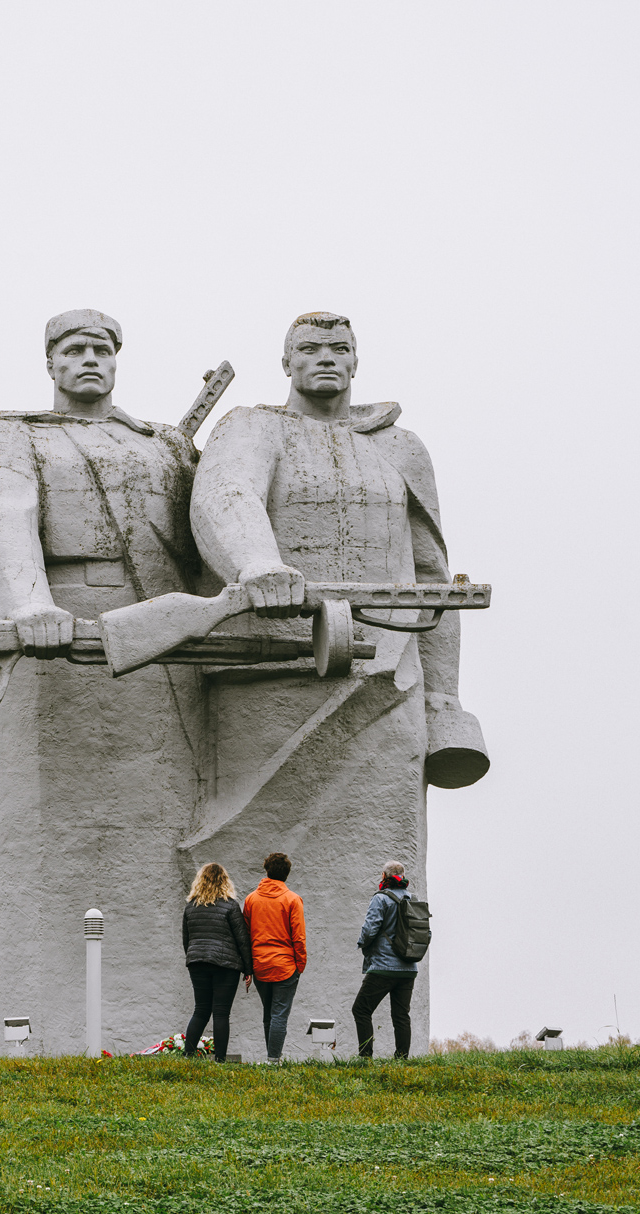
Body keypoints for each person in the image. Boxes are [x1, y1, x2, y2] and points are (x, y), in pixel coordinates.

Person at [184, 311, 487, 1046]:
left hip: (387, 677)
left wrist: (443, 697)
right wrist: (258, 564)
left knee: (378, 855)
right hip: (273, 673)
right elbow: (222, 499)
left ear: (356, 361)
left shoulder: (400, 448)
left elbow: (430, 582)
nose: (325, 358)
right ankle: (247, 1037)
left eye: (338, 348)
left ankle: (358, 1041)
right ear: (284, 362)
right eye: (309, 349)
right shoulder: (252, 428)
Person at [0, 309, 207, 1055]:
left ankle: (168, 1030)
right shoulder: (14, 434)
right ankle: (27, 1024)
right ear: (50, 363)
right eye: (73, 349)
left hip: (159, 641)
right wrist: (29, 608)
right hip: (56, 637)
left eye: (101, 349)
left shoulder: (161, 446)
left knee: (163, 831)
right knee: (38, 835)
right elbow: (0, 515)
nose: (88, 360)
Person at [181, 863, 252, 1061]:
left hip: (197, 962)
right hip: (225, 965)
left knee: (201, 1010)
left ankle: (188, 1055)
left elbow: (187, 940)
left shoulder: (190, 907)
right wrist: (248, 969)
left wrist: (195, 958)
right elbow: (242, 940)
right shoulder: (230, 905)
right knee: (221, 1013)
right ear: (224, 881)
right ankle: (220, 1060)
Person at [242, 852, 306, 1062]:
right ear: (286, 874)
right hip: (285, 966)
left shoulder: (251, 899)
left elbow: (246, 934)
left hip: (261, 965)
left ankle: (271, 1058)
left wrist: (249, 966)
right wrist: (300, 965)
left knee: (268, 1014)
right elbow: (299, 937)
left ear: (266, 870)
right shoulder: (292, 900)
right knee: (279, 1014)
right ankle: (273, 1060)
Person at [353, 861, 418, 1058]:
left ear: (384, 876)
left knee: (361, 1009)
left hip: (383, 967)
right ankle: (402, 1058)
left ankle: (365, 1057)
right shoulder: (414, 899)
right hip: (409, 968)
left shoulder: (380, 898)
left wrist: (361, 943)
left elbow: (370, 929)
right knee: (401, 1015)